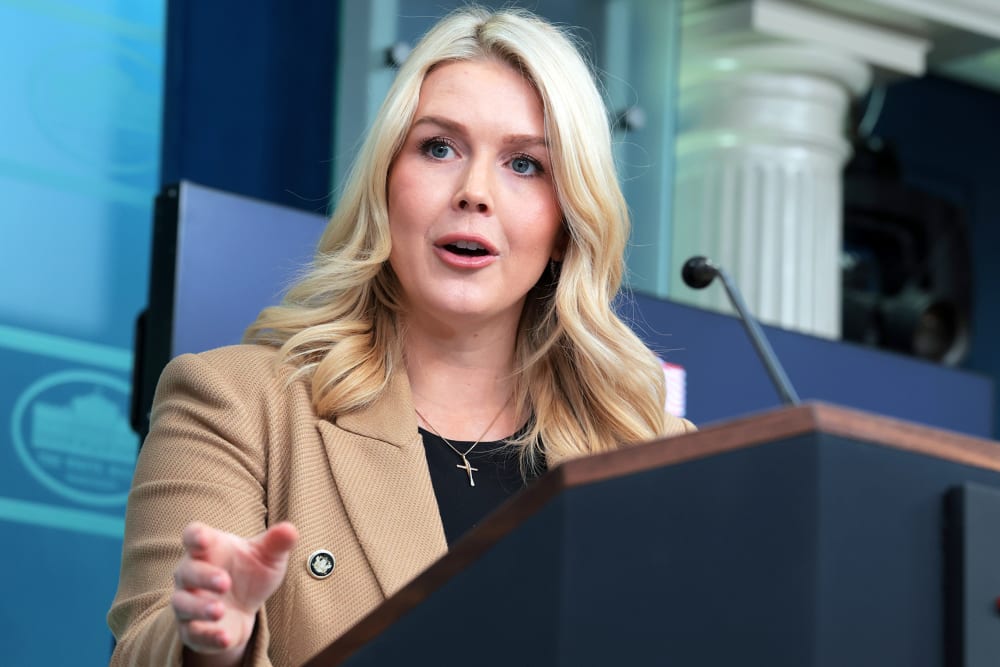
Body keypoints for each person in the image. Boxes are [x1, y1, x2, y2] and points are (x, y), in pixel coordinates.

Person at [108, 6, 694, 666]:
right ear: (386, 183)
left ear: (567, 222)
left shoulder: (656, 459)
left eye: (525, 164)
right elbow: (146, 642)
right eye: (439, 147)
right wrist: (216, 644)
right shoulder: (237, 402)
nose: (474, 192)